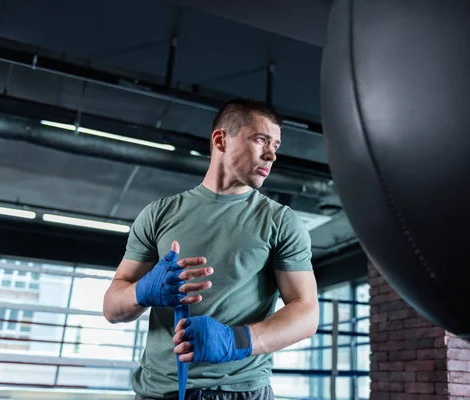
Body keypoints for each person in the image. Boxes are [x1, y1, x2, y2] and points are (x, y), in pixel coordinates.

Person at [102, 98, 320, 400]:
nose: (271, 154)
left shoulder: (280, 221)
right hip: (160, 391)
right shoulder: (159, 214)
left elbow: (307, 313)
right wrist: (141, 292)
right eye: (261, 140)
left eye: (276, 146)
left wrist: (237, 339)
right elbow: (112, 308)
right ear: (221, 139)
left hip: (241, 391)